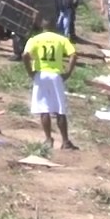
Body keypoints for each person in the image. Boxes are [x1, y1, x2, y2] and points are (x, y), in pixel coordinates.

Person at [22, 19, 79, 150]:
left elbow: (25, 55)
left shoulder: (34, 39)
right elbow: (74, 55)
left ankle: (48, 139)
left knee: (44, 109)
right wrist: (68, 72)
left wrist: (30, 71)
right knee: (60, 109)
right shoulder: (61, 39)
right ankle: (65, 141)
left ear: (42, 27)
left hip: (41, 75)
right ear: (54, 27)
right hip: (55, 76)